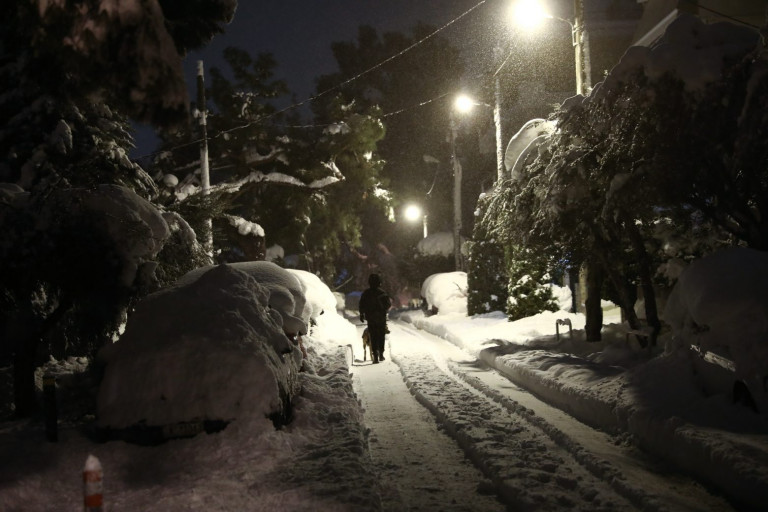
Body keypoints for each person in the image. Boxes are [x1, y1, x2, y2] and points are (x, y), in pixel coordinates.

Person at [359, 273, 392, 364]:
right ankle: (381, 353)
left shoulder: (366, 293)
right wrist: (382, 309)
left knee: (373, 335)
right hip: (381, 317)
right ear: (379, 282)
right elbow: (388, 304)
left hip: (371, 318)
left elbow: (362, 304)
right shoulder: (382, 293)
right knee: (381, 335)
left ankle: (375, 354)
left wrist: (362, 314)